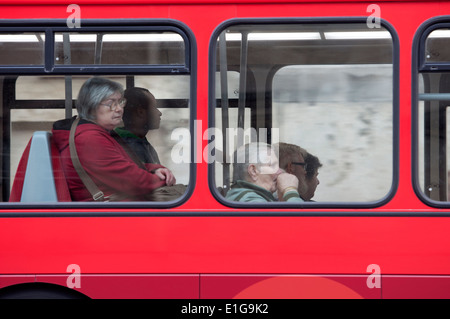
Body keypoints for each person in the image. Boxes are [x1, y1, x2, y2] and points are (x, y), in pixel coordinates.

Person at [52, 77, 175, 201]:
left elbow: (126, 166)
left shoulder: (99, 133)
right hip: (111, 212)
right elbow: (135, 183)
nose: (119, 109)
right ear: (92, 107)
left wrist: (156, 169)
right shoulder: (89, 139)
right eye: (111, 104)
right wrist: (162, 179)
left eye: (120, 102)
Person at [225, 142, 304, 203]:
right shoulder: (251, 201)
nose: (280, 171)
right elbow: (302, 222)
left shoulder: (246, 197)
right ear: (253, 171)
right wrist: (290, 191)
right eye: (272, 165)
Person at [114, 87, 163, 164]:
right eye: (154, 107)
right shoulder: (132, 147)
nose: (159, 113)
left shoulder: (140, 142)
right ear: (140, 112)